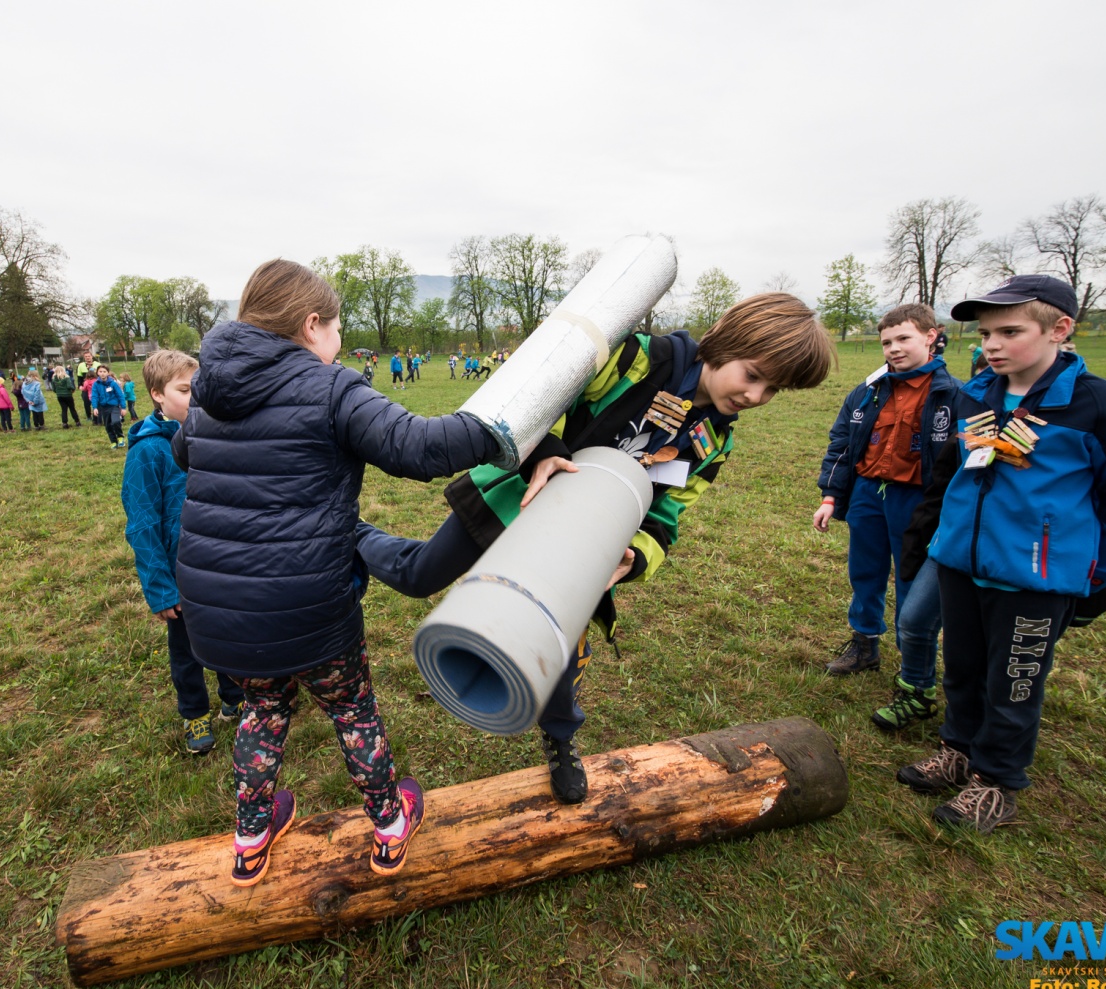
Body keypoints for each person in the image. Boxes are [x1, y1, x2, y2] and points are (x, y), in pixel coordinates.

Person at [359, 294, 834, 803]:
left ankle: (560, 739)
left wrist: (636, 556)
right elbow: (544, 396)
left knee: (561, 653)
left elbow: (668, 513)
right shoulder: (639, 358)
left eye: (773, 389)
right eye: (753, 375)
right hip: (517, 501)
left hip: (582, 552)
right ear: (727, 342)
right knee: (418, 575)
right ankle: (350, 533)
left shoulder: (715, 443)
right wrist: (545, 451)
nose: (757, 396)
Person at [173, 259, 501, 887]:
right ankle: (390, 823)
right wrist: (504, 427)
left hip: (220, 605)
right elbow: (420, 447)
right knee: (352, 708)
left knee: (262, 708)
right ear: (311, 323)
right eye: (337, 327)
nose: (340, 340)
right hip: (308, 602)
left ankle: (250, 838)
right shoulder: (331, 388)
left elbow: (185, 451)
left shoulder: (209, 392)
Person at [897, 275, 1106, 834]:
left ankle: (996, 782)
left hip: (1034, 582)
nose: (992, 345)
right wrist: (936, 543)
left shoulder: (1101, 407)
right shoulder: (975, 395)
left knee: (1013, 683)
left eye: (1010, 332)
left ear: (1059, 329)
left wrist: (1094, 578)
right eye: (985, 334)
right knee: (962, 669)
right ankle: (958, 750)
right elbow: (951, 477)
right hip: (961, 565)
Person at [812, 304, 966, 733]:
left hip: (917, 501)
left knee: (912, 582)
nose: (894, 348)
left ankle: (913, 667)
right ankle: (864, 644)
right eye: (886, 342)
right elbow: (842, 443)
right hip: (867, 492)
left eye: (904, 339)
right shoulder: (868, 392)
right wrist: (831, 495)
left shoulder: (954, 395)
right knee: (865, 571)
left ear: (931, 337)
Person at [122, 349, 244, 754]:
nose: (195, 397)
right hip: (180, 576)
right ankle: (194, 714)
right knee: (187, 650)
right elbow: (142, 524)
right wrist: (160, 588)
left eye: (199, 388)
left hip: (220, 566)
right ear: (157, 394)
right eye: (184, 390)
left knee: (227, 636)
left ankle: (234, 697)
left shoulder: (212, 434)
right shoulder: (147, 452)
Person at [90, 365, 127, 447]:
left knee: (116, 421)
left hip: (114, 406)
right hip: (103, 407)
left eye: (104, 371)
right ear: (97, 373)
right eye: (100, 371)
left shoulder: (113, 383)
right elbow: (94, 396)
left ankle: (120, 437)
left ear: (108, 373)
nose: (102, 373)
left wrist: (123, 407)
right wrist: (95, 407)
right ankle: (113, 441)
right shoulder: (96, 384)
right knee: (108, 425)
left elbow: (120, 395)